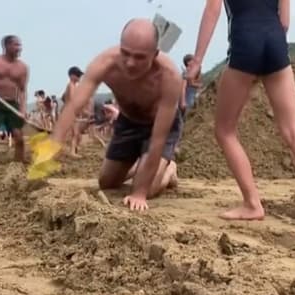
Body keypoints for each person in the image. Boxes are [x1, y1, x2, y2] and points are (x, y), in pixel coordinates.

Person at [185, 0, 295, 231]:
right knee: (294, 130)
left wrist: (197, 61)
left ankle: (252, 204)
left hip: (245, 39)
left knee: (225, 131)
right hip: (275, 40)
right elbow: (284, 22)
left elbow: (212, 11)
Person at [31, 18, 182, 210]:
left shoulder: (169, 77)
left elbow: (158, 139)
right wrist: (54, 143)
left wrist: (139, 193)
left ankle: (169, 169)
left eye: (140, 57)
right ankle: (143, 167)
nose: (130, 63)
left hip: (159, 127)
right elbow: (74, 105)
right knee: (107, 182)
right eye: (125, 53)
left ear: (155, 53)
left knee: (148, 189)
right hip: (128, 122)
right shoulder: (105, 63)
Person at [62, 66, 94, 158]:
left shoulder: (72, 86)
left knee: (76, 134)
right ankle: (72, 152)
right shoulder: (71, 85)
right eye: (78, 75)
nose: (79, 77)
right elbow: (73, 100)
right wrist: (84, 111)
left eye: (80, 75)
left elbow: (64, 97)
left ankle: (74, 150)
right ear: (72, 76)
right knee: (75, 134)